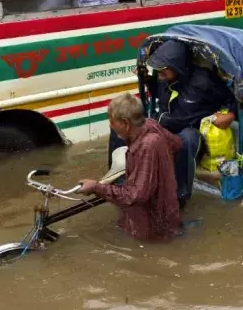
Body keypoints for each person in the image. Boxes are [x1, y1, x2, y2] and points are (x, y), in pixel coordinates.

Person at [109, 40, 237, 209]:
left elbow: (232, 99)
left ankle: (179, 196)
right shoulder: (163, 77)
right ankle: (119, 181)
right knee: (122, 125)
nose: (159, 74)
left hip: (190, 131)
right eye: (158, 71)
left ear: (177, 66)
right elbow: (159, 92)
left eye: (163, 70)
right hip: (162, 126)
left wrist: (230, 114)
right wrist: (147, 80)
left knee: (187, 140)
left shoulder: (204, 80)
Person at [77, 93, 182, 241]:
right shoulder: (150, 125)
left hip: (154, 226)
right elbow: (176, 143)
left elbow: (135, 196)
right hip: (164, 213)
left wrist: (96, 187)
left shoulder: (147, 146)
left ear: (126, 123)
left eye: (112, 122)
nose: (110, 125)